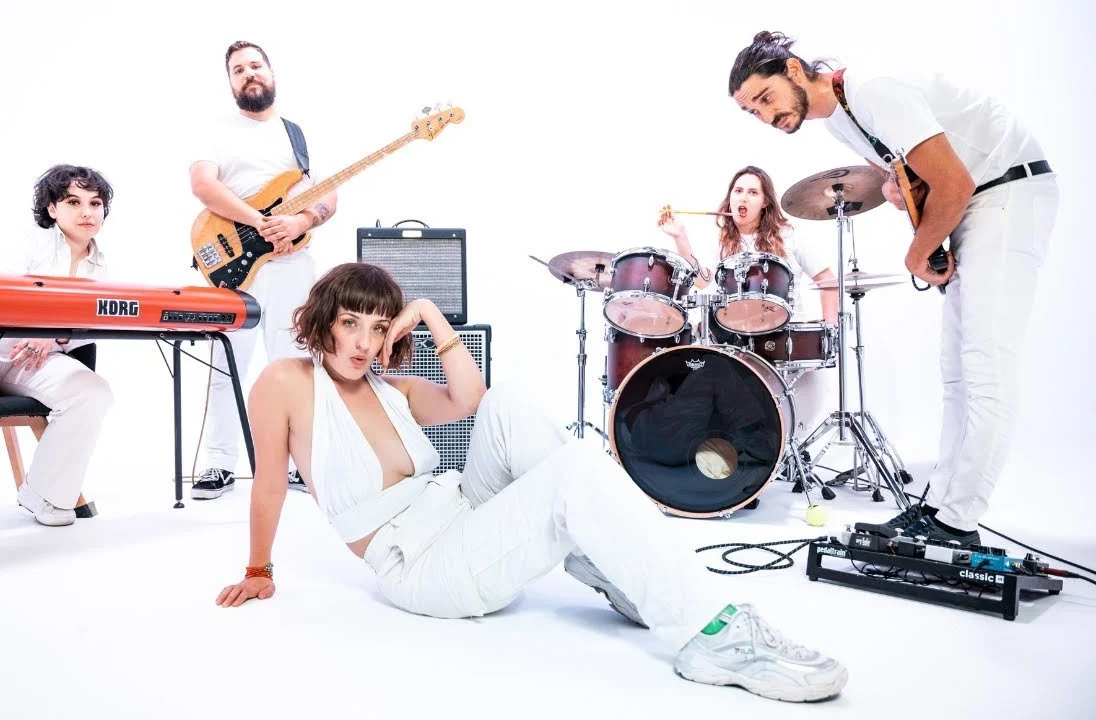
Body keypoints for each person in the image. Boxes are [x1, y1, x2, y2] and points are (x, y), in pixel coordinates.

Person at [214, 262, 848, 703]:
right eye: (350, 322)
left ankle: (626, 574)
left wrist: (430, 314)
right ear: (324, 319)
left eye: (377, 327)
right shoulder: (287, 382)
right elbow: (269, 482)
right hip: (422, 563)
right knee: (571, 472)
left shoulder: (393, 386)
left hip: (460, 509)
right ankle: (711, 635)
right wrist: (259, 568)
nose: (362, 341)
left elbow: (472, 400)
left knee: (510, 402)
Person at [727, 31, 1059, 546]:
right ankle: (942, 506)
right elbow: (920, 179)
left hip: (1007, 193)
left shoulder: (872, 90)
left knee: (985, 365)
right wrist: (897, 188)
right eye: (754, 113)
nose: (767, 117)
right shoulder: (840, 120)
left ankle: (960, 520)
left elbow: (953, 183)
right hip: (976, 204)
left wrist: (917, 252)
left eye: (766, 98)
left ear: (794, 70)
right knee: (956, 375)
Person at [0, 164, 115, 568]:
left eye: (95, 203)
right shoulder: (23, 244)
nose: (88, 212)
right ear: (52, 208)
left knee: (93, 391)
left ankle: (44, 492)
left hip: (39, 361)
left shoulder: (102, 266)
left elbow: (91, 326)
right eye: (74, 202)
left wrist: (53, 336)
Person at [188, 40, 337, 499]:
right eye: (238, 70)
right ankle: (218, 462)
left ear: (271, 73)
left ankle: (297, 462)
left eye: (255, 65)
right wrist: (261, 222)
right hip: (235, 260)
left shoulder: (296, 135)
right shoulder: (216, 132)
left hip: (291, 264)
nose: (248, 73)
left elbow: (327, 195)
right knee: (226, 363)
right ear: (231, 83)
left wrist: (302, 219)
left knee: (294, 363)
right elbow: (203, 186)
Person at [659, 165, 839, 439]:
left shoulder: (789, 235)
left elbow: (828, 281)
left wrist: (829, 332)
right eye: (738, 191)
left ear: (765, 202)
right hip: (736, 337)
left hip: (783, 335)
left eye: (753, 192)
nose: (743, 198)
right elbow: (702, 279)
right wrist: (680, 238)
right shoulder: (722, 238)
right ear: (730, 198)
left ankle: (776, 441)